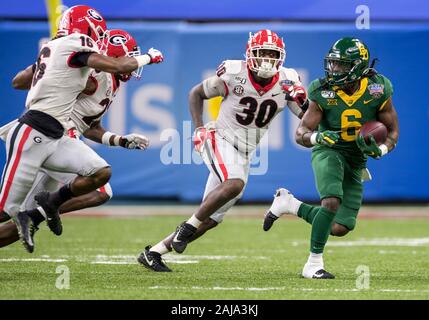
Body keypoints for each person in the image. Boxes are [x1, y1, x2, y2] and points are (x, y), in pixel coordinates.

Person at [138, 29, 308, 272]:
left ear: (281, 57)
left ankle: (154, 252)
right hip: (221, 138)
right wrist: (198, 128)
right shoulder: (233, 72)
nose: (267, 61)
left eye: (273, 55)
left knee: (212, 219)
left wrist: (303, 101)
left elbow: (307, 118)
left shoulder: (288, 80)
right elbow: (196, 93)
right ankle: (186, 228)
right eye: (262, 55)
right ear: (250, 55)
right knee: (234, 183)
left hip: (245, 152)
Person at [0, 5, 163, 253]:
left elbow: (91, 128)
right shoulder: (96, 69)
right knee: (7, 210)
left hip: (59, 139)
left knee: (96, 182)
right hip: (41, 132)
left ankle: (42, 211)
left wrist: (121, 140)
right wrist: (148, 57)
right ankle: (45, 209)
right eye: (129, 56)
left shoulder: (106, 79)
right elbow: (19, 81)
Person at [263, 37, 399, 279]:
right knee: (331, 202)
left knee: (340, 227)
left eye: (342, 65)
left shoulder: (378, 88)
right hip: (329, 150)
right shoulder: (322, 89)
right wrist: (318, 138)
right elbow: (300, 134)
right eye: (333, 64)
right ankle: (313, 264)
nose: (334, 70)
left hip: (357, 158)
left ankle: (289, 204)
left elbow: (392, 132)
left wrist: (381, 150)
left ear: (358, 66)